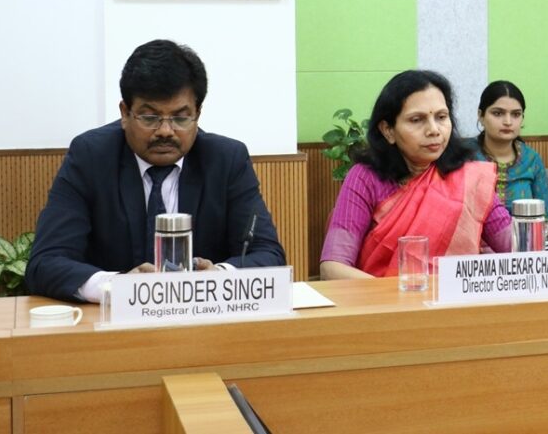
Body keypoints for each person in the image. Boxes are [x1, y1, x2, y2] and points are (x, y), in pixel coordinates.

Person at [25, 40, 286, 302]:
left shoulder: (226, 160)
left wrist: (218, 276)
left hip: (203, 318)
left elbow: (268, 254)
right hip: (111, 321)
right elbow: (45, 263)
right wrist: (118, 287)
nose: (165, 131)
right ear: (125, 113)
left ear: (197, 114)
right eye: (150, 118)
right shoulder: (91, 157)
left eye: (180, 118)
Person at [319, 70, 511, 280]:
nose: (434, 130)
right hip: (385, 299)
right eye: (417, 119)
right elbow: (333, 268)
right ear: (388, 130)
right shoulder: (365, 178)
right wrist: (400, 295)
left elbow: (518, 251)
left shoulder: (470, 180)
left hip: (453, 300)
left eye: (441, 117)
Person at [472, 80, 548, 245]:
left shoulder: (531, 159)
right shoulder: (465, 156)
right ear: (481, 116)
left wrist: (544, 233)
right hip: (477, 250)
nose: (508, 121)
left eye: (516, 114)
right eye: (498, 113)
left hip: (526, 246)